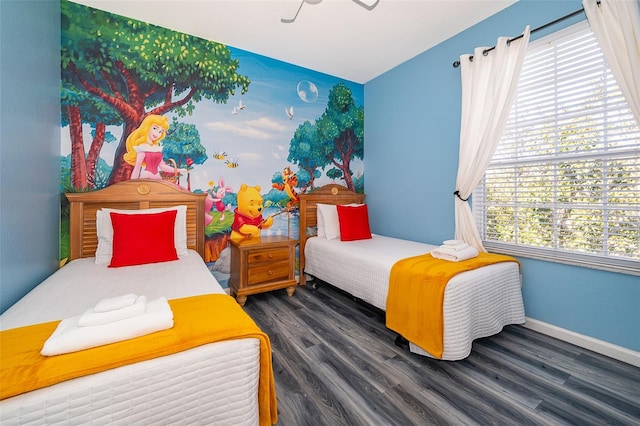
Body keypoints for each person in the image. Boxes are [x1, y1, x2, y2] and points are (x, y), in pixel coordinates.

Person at [123, 115, 185, 180]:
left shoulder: (157, 148)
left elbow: (162, 166)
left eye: (160, 131)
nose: (157, 133)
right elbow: (137, 168)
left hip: (157, 177)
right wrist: (132, 185)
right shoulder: (142, 148)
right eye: (155, 128)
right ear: (147, 127)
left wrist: (179, 170)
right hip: (146, 176)